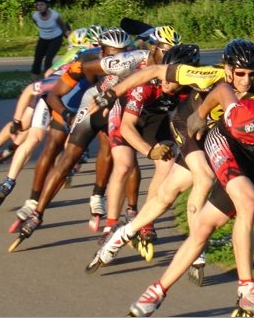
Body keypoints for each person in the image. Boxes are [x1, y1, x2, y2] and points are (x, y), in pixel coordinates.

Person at [124, 79, 254, 316]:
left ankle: (155, 292)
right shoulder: (244, 116)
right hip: (224, 142)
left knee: (203, 229)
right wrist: (200, 113)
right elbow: (222, 89)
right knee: (248, 202)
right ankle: (247, 289)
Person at [86, 39, 254, 273]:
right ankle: (197, 249)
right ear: (226, 68)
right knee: (204, 178)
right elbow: (153, 70)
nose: (246, 81)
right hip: (187, 125)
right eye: (240, 73)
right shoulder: (205, 76)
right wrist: (111, 94)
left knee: (166, 195)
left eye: (252, 74)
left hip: (211, 136)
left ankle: (123, 234)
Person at [15, 26, 184, 240]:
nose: (170, 59)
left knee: (124, 161)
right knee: (68, 159)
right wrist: (91, 92)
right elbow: (78, 75)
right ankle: (37, 214)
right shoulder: (124, 61)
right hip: (96, 104)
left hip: (122, 107)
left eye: (173, 53)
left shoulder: (167, 64)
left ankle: (130, 211)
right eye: (165, 52)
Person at [98, 44, 200, 247]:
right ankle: (110, 226)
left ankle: (146, 220)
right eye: (164, 76)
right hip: (127, 117)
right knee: (124, 165)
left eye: (173, 80)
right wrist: (149, 151)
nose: (166, 83)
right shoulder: (147, 85)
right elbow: (127, 126)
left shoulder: (191, 89)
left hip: (156, 119)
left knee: (167, 162)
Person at [0, 27, 102, 206]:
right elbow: (34, 87)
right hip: (52, 98)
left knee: (43, 140)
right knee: (35, 138)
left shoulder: (88, 59)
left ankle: (9, 180)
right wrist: (16, 120)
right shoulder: (79, 58)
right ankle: (9, 180)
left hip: (65, 99)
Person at [31, 0, 71, 81]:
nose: (39, 7)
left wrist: (67, 35)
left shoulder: (55, 15)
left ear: (47, 6)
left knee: (48, 60)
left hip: (56, 38)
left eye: (42, 5)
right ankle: (34, 82)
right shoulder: (35, 15)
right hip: (43, 38)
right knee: (37, 60)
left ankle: (47, 81)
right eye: (38, 5)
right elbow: (37, 23)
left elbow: (63, 25)